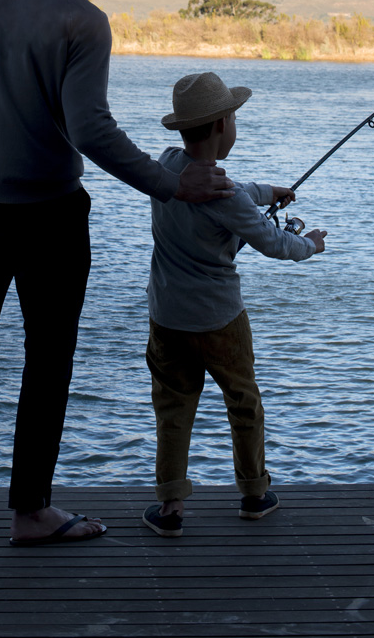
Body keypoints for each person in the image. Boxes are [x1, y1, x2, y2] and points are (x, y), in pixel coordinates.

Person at [0, 0, 234, 545]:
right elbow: (91, 129)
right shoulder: (84, 23)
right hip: (50, 215)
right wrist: (173, 184)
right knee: (48, 357)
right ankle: (31, 511)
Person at [142, 71, 327, 538]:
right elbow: (275, 243)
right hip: (220, 318)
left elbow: (237, 190)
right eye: (234, 119)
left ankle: (170, 507)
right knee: (243, 402)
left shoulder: (165, 167)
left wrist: (269, 191)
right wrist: (311, 244)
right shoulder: (226, 197)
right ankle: (253, 494)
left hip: (167, 316)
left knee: (173, 408)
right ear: (224, 124)